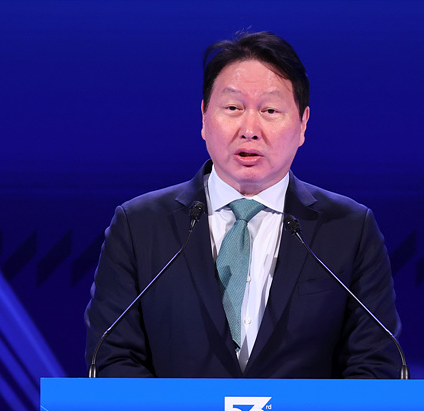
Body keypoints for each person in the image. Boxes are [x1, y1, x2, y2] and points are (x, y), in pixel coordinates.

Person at [85, 31, 401, 378]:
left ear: (303, 124)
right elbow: (113, 359)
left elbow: (374, 365)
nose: (249, 129)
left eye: (270, 110)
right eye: (233, 108)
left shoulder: (349, 229)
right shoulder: (138, 226)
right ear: (204, 117)